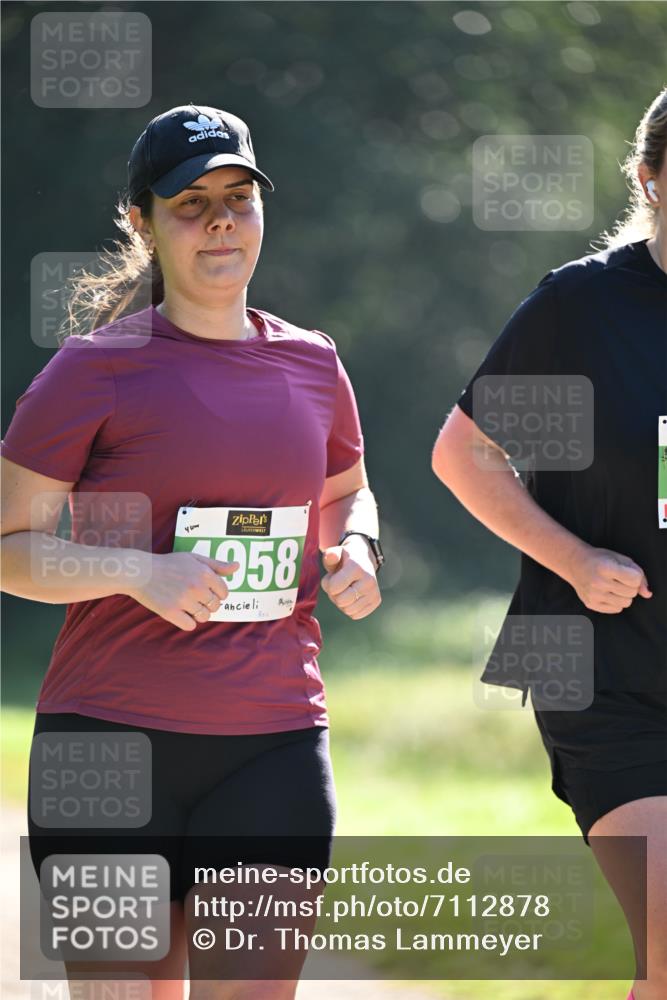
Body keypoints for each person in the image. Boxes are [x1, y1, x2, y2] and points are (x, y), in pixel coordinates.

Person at [0, 103, 383, 1000]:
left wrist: (357, 545)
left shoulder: (313, 363)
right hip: (105, 747)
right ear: (143, 222)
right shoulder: (92, 368)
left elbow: (345, 493)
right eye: (190, 203)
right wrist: (138, 571)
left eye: (238, 198)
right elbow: (9, 548)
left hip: (273, 743)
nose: (220, 222)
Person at [431, 88, 666, 1000]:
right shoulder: (582, 307)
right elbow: (465, 454)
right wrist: (575, 560)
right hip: (601, 669)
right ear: (649, 180)